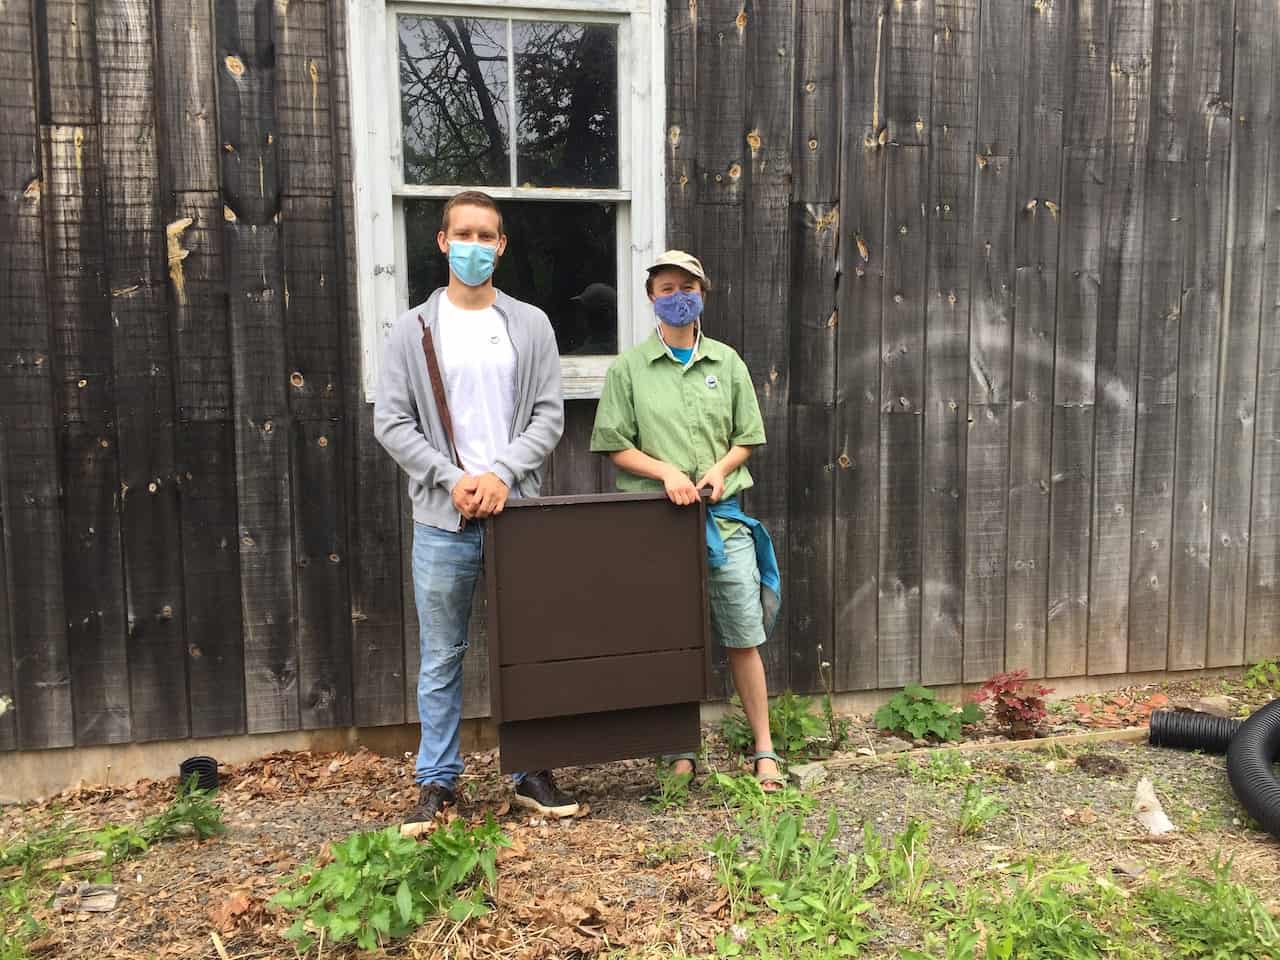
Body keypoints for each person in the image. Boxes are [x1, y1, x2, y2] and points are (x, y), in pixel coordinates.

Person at [374, 190, 581, 827]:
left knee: (525, 645)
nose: (473, 245)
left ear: (501, 246)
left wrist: (502, 475)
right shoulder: (411, 331)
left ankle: (528, 770)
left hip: (517, 512)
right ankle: (437, 782)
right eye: (461, 233)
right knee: (442, 655)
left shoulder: (530, 325)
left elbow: (549, 415)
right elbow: (392, 421)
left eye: (485, 235)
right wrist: (450, 477)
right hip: (444, 517)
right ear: (442, 242)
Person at [588, 250, 784, 791]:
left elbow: (747, 437)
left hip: (723, 520)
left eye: (688, 287)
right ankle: (680, 750)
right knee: (672, 637)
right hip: (659, 523)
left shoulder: (728, 362)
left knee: (744, 633)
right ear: (651, 298)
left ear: (704, 292)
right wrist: (665, 473)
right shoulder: (629, 369)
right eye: (666, 288)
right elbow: (613, 444)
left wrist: (720, 470)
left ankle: (764, 750)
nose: (678, 296)